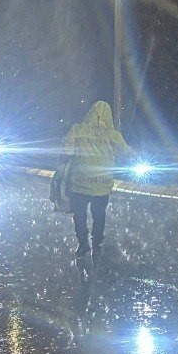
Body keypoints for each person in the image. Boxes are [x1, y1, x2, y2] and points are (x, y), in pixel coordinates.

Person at [59, 100, 135, 264]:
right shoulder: (113, 135)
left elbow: (67, 150)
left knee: (79, 215)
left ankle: (83, 244)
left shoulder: (78, 130)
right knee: (99, 214)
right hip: (102, 184)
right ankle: (97, 242)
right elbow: (126, 152)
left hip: (80, 183)